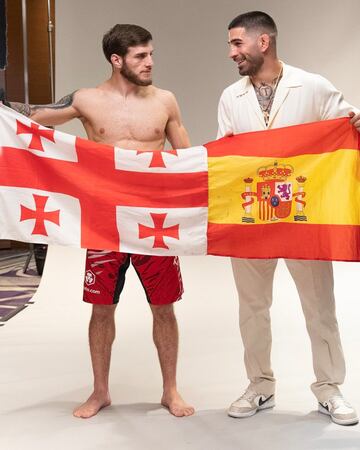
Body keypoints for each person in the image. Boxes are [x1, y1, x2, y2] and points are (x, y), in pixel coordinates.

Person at [4, 24, 194, 418]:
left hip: (152, 221)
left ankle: (171, 390)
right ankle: (100, 391)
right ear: (116, 60)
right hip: (103, 220)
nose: (150, 63)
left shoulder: (165, 101)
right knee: (102, 307)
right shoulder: (87, 100)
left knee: (164, 307)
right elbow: (32, 121)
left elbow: (189, 159)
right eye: (141, 56)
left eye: (151, 54)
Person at [217, 11, 360, 426]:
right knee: (252, 307)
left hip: (303, 213)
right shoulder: (231, 96)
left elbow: (345, 123)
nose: (231, 53)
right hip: (251, 217)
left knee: (320, 307)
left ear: (264, 42)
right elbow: (229, 157)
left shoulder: (312, 86)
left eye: (237, 43)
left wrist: (357, 122)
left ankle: (329, 388)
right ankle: (259, 385)